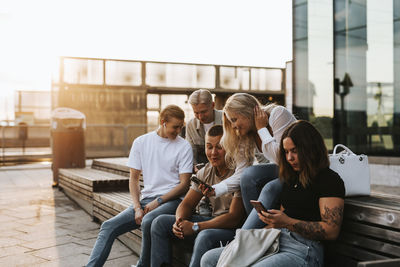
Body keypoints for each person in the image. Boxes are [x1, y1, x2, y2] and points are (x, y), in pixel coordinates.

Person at [201, 120, 345, 267]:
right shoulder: (291, 178)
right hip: (275, 240)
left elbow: (331, 231)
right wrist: (257, 234)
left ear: (310, 148)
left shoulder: (329, 180)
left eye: (294, 151)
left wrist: (286, 222)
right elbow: (282, 220)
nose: (289, 158)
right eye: (286, 152)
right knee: (209, 259)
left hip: (303, 249)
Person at [86, 105, 193, 267]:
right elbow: (134, 179)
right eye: (175, 127)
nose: (179, 131)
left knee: (148, 220)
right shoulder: (141, 142)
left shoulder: (183, 146)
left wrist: (159, 201)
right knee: (108, 226)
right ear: (163, 122)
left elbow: (184, 185)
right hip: (145, 201)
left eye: (181, 127)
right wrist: (136, 207)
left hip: (172, 201)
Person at [150, 125, 246, 267]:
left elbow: (234, 218)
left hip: (232, 230)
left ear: (230, 147)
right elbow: (187, 204)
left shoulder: (239, 173)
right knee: (159, 223)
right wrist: (179, 221)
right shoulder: (205, 172)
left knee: (204, 235)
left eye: (219, 147)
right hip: (211, 221)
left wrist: (196, 226)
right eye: (209, 147)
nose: (213, 153)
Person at [203, 93, 296, 207]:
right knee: (248, 176)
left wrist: (261, 129)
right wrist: (216, 189)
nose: (233, 126)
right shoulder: (245, 134)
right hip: (280, 173)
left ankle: (252, 225)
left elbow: (283, 158)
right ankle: (252, 224)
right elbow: (242, 173)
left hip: (296, 171)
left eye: (234, 119)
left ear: (247, 112)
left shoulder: (278, 114)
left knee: (265, 185)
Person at [186, 89, 223, 168]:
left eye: (204, 112)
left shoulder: (226, 119)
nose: (200, 117)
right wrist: (194, 166)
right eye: (196, 113)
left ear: (213, 105)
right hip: (202, 169)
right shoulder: (191, 125)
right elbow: (191, 151)